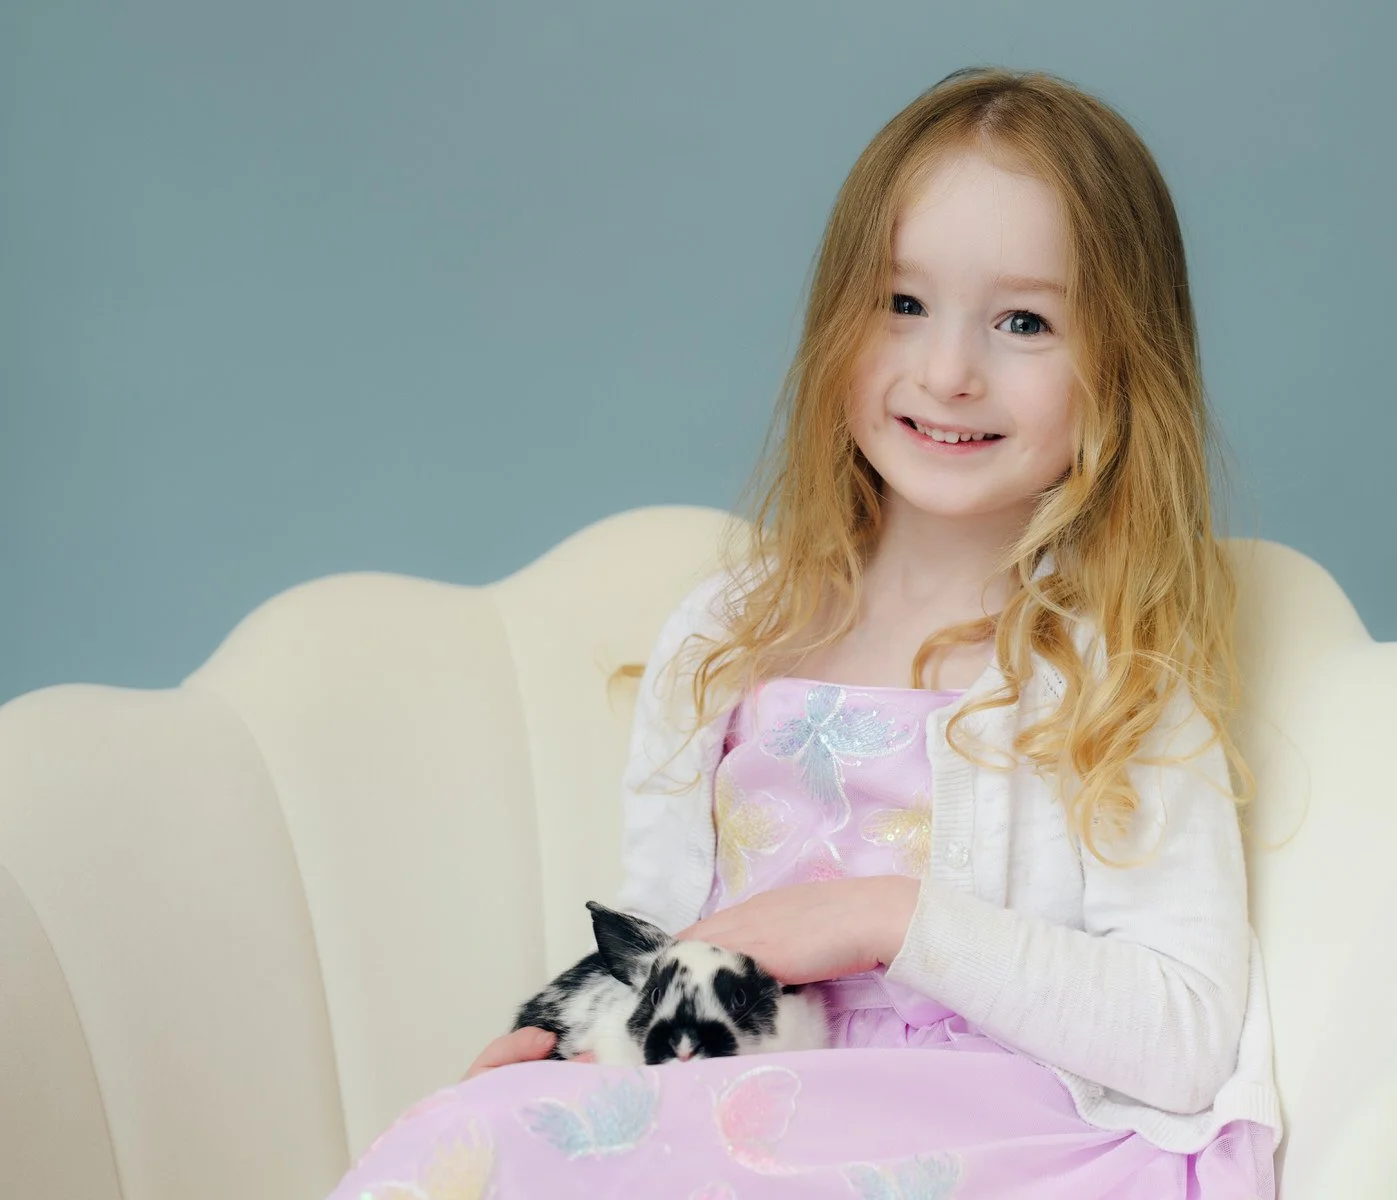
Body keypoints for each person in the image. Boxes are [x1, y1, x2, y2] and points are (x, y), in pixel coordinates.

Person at [329, 65, 1282, 1199]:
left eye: (1024, 321)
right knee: (465, 1143)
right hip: (727, 1106)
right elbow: (668, 942)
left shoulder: (1113, 673)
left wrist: (878, 918)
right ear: (838, 322)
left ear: (1123, 368)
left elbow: (1183, 1031)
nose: (948, 371)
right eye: (902, 304)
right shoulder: (729, 638)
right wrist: (568, 1038)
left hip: (982, 1138)